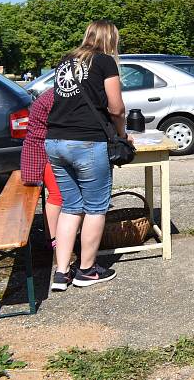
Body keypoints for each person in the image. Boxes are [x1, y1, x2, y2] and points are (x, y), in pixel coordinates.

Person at [46, 20, 129, 291]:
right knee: (95, 208)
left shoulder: (65, 61)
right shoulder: (105, 61)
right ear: (111, 39)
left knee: (71, 206)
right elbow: (116, 108)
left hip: (55, 141)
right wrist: (122, 134)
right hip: (86, 142)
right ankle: (86, 271)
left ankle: (61, 273)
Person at [20, 88, 63, 250]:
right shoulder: (56, 96)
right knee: (57, 195)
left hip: (44, 149)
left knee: (59, 195)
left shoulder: (54, 92)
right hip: (42, 152)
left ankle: (54, 236)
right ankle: (52, 238)